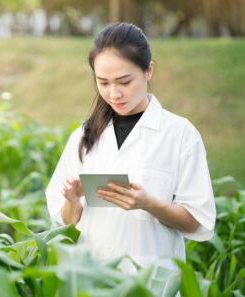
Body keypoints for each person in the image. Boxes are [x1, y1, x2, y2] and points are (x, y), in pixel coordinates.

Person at [45, 22, 216, 273]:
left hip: (151, 281)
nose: (114, 94)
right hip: (92, 279)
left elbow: (197, 222)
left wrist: (149, 204)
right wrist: (72, 200)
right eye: (103, 82)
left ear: (149, 70)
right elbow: (68, 221)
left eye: (124, 82)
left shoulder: (179, 135)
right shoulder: (84, 135)